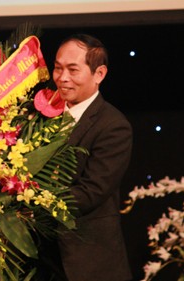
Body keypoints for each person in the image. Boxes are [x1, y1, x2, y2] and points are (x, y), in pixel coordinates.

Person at [40, 34, 133, 281]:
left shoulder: (113, 126)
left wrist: (30, 204)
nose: (62, 78)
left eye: (73, 70)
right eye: (58, 68)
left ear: (99, 74)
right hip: (39, 263)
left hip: (89, 264)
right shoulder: (38, 115)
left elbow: (92, 191)